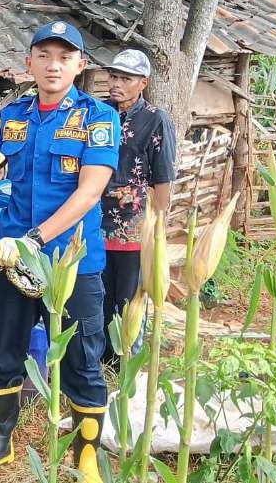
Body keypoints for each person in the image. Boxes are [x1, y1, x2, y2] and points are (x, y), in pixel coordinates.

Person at [0, 21, 119, 482]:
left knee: (82, 361)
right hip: (12, 257)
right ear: (28, 61)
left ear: (80, 65)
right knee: (3, 351)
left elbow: (89, 193)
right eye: (44, 55)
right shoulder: (13, 116)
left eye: (64, 57)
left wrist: (36, 239)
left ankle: (85, 459)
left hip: (72, 260)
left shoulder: (97, 118)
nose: (54, 65)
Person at [99, 49, 176, 365]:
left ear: (143, 82)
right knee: (99, 297)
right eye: (114, 76)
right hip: (94, 221)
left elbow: (163, 178)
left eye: (125, 78)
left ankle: (125, 364)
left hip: (134, 226)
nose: (116, 83)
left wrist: (156, 230)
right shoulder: (100, 112)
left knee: (129, 299)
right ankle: (100, 360)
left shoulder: (156, 119)